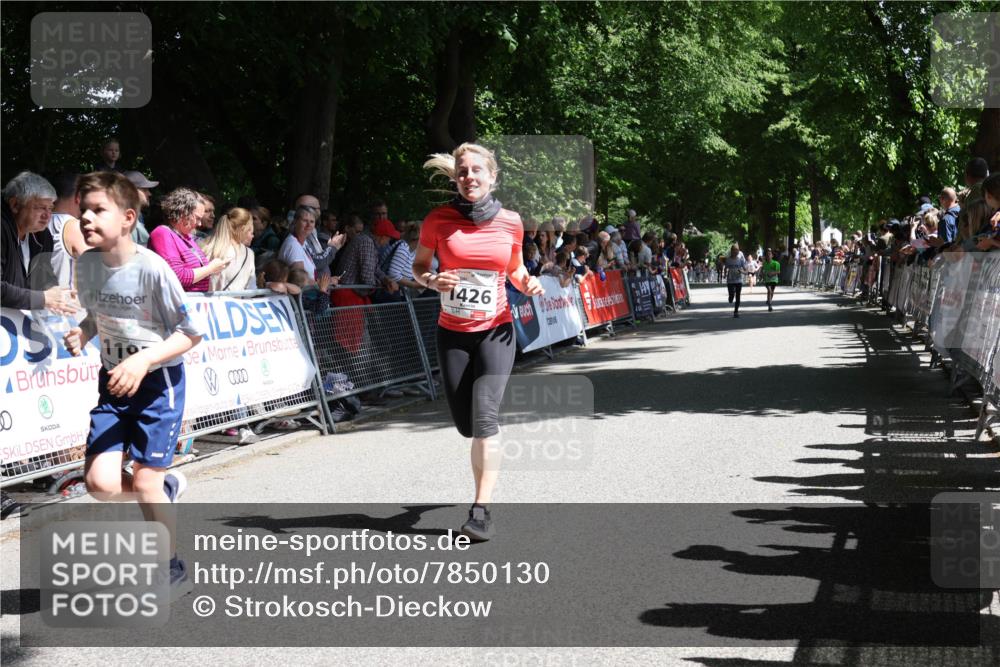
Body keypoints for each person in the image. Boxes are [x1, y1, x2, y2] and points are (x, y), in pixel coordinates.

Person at [63, 171, 204, 597]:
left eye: (98, 209)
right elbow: (100, 311)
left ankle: (171, 566)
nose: (86, 217)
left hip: (159, 382)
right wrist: (85, 331)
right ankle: (167, 487)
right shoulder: (86, 264)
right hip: (113, 382)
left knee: (144, 480)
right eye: (82, 208)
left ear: (127, 218)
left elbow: (190, 333)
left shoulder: (152, 267)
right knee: (101, 485)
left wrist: (143, 359)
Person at [412, 142, 544, 541]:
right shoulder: (438, 220)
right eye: (462, 171)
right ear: (456, 178)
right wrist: (433, 279)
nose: (469, 176)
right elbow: (419, 266)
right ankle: (480, 487)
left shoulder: (510, 222)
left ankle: (480, 510)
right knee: (466, 424)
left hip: (496, 330)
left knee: (486, 417)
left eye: (476, 170)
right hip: (452, 331)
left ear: (492, 176)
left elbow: (516, 269)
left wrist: (529, 282)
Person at [1, 171, 75, 313]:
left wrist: (57, 293)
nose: (47, 216)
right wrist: (43, 299)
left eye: (50, 208)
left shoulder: (43, 235)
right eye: (40, 207)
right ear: (15, 205)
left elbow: (44, 276)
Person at [148, 188, 229, 292]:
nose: (199, 224)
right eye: (197, 218)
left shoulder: (187, 236)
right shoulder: (162, 234)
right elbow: (177, 276)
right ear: (183, 213)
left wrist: (214, 269)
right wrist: (210, 268)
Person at [47, 172, 89, 288]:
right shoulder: (73, 226)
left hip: (37, 301)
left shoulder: (37, 222)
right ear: (78, 197)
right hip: (65, 303)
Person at [201, 207, 257, 292]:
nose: (253, 235)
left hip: (205, 303)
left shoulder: (205, 246)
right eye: (250, 231)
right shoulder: (248, 254)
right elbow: (251, 289)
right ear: (243, 229)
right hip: (234, 304)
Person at [278, 206, 320, 277]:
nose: (309, 225)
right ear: (295, 222)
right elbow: (300, 280)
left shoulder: (304, 243)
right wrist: (323, 283)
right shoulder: (293, 245)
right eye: (305, 220)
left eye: (312, 221)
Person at [122, 171, 156, 246]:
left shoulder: (137, 216)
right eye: (145, 189)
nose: (149, 194)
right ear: (131, 191)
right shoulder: (127, 221)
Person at [724, 243, 747, 318]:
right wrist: (724, 274)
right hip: (730, 280)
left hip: (738, 280)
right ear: (731, 251)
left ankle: (736, 311)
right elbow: (725, 268)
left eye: (737, 250)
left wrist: (742, 272)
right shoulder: (728, 259)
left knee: (738, 296)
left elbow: (745, 270)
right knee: (731, 295)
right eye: (734, 250)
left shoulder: (740, 259)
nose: (736, 252)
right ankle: (730, 297)